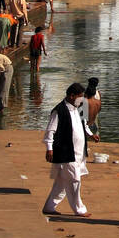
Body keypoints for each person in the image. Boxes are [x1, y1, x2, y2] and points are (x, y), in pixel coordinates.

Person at [42, 82, 100, 217]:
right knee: (75, 180)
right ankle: (79, 209)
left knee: (62, 182)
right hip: (67, 152)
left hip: (79, 152)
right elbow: (50, 131)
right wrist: (49, 148)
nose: (82, 100)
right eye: (80, 97)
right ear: (72, 96)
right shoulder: (59, 111)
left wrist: (91, 135)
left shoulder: (78, 108)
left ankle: (49, 206)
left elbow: (83, 124)